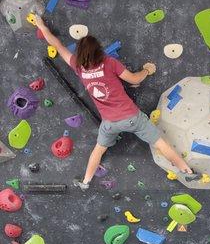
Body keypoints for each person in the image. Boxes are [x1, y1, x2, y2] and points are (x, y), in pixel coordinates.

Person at [35, 16, 199, 190]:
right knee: (160, 143)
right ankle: (188, 172)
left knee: (98, 150)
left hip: (110, 123)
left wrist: (41, 26)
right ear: (98, 51)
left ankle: (85, 182)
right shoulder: (109, 63)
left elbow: (57, 45)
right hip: (132, 117)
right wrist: (146, 70)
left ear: (80, 54)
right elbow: (134, 79)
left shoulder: (78, 66)